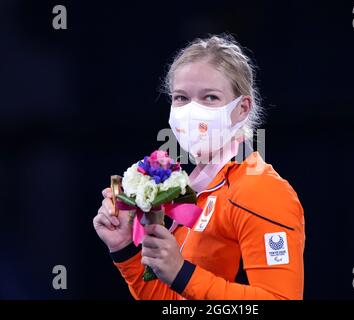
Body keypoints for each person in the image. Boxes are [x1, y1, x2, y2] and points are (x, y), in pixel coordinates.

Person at [93, 35, 305, 300]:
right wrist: (125, 249)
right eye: (181, 98)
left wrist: (183, 274)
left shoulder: (260, 190)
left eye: (210, 97)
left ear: (242, 109)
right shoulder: (193, 189)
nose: (193, 111)